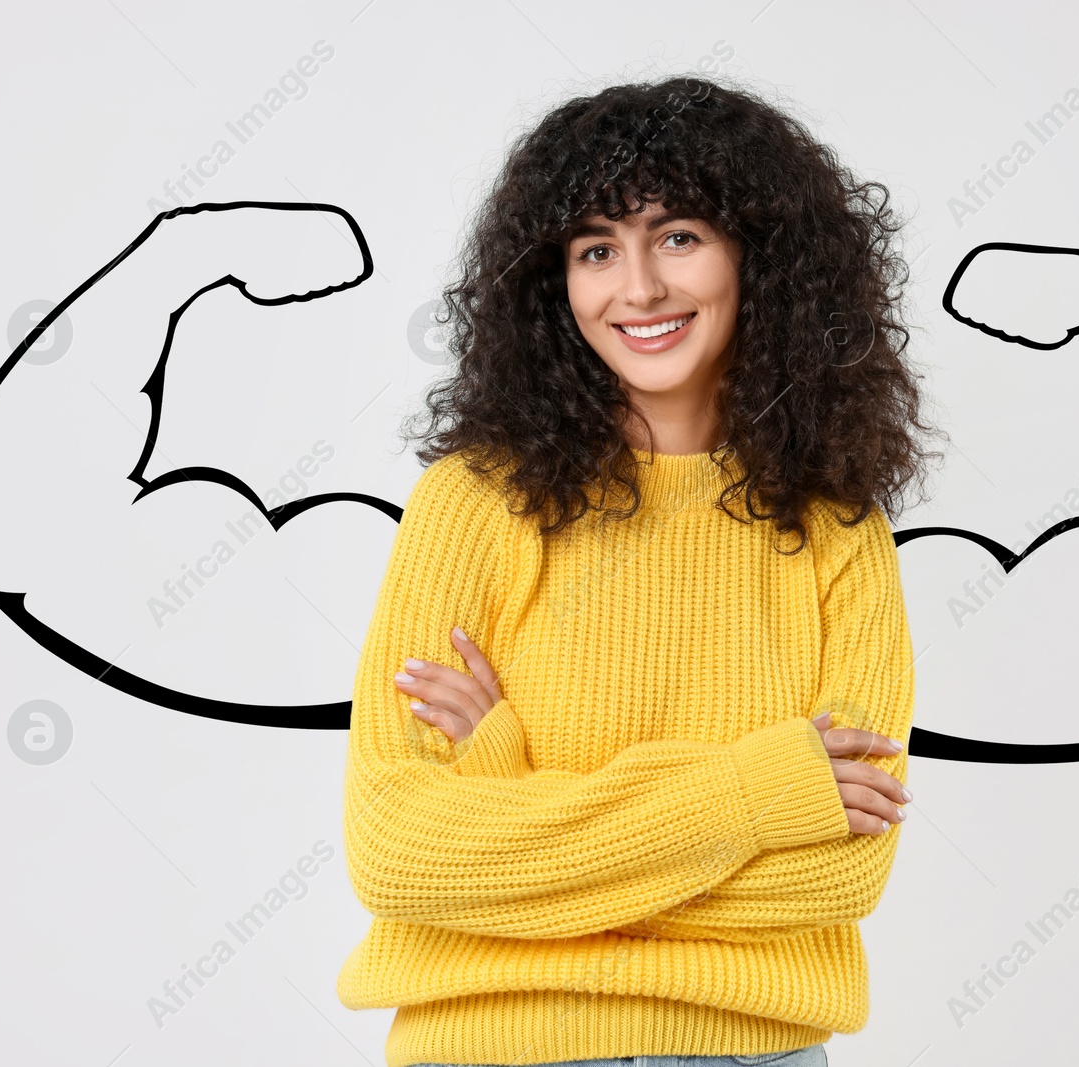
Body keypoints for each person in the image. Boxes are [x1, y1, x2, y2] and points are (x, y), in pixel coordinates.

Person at [337, 75, 939, 1067]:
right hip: (493, 1049)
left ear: (760, 256)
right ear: (553, 281)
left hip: (753, 1052)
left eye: (678, 235)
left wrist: (514, 789)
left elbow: (833, 882)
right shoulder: (473, 503)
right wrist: (757, 793)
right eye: (595, 249)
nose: (640, 288)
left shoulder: (836, 527)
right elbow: (401, 851)